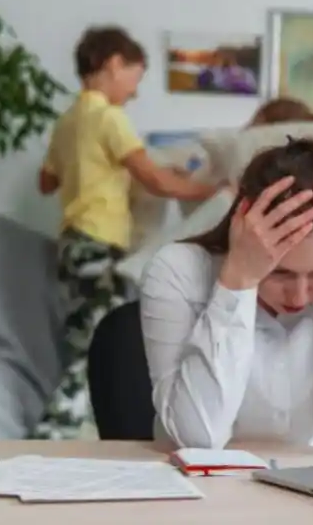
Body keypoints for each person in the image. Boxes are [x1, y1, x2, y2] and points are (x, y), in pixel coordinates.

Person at [139, 137, 313, 450]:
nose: (299, 297)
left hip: (305, 483)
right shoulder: (178, 271)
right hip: (196, 487)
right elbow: (196, 438)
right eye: (279, 272)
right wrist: (238, 280)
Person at [34, 25, 225, 439]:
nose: (135, 93)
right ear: (114, 64)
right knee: (100, 344)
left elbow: (46, 182)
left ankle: (71, 431)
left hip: (70, 244)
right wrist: (215, 190)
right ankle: (52, 435)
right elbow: (156, 181)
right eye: (135, 79)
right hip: (99, 241)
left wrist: (91, 170)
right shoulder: (108, 117)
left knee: (83, 336)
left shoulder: (67, 121)